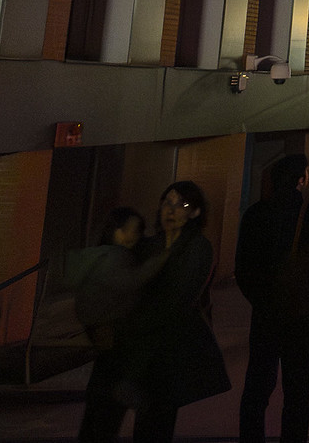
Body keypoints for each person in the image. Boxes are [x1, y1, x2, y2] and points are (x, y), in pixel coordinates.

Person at [79, 182, 231, 443]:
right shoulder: (148, 245)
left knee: (154, 424)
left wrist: (127, 323)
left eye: (182, 204)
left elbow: (176, 300)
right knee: (100, 419)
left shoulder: (197, 248)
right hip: (125, 348)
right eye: (167, 202)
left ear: (195, 212)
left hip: (163, 352)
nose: (171, 209)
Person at [235, 155, 309, 443]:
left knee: (257, 390)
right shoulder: (307, 213)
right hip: (300, 316)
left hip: (265, 317)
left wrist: (263, 300)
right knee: (297, 394)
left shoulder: (255, 214)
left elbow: (243, 270)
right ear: (301, 179)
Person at [68, 207, 164, 350]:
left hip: (101, 319)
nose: (131, 235)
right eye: (126, 229)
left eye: (136, 231)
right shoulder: (111, 257)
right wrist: (161, 259)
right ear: (114, 229)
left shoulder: (116, 254)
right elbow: (130, 281)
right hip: (102, 320)